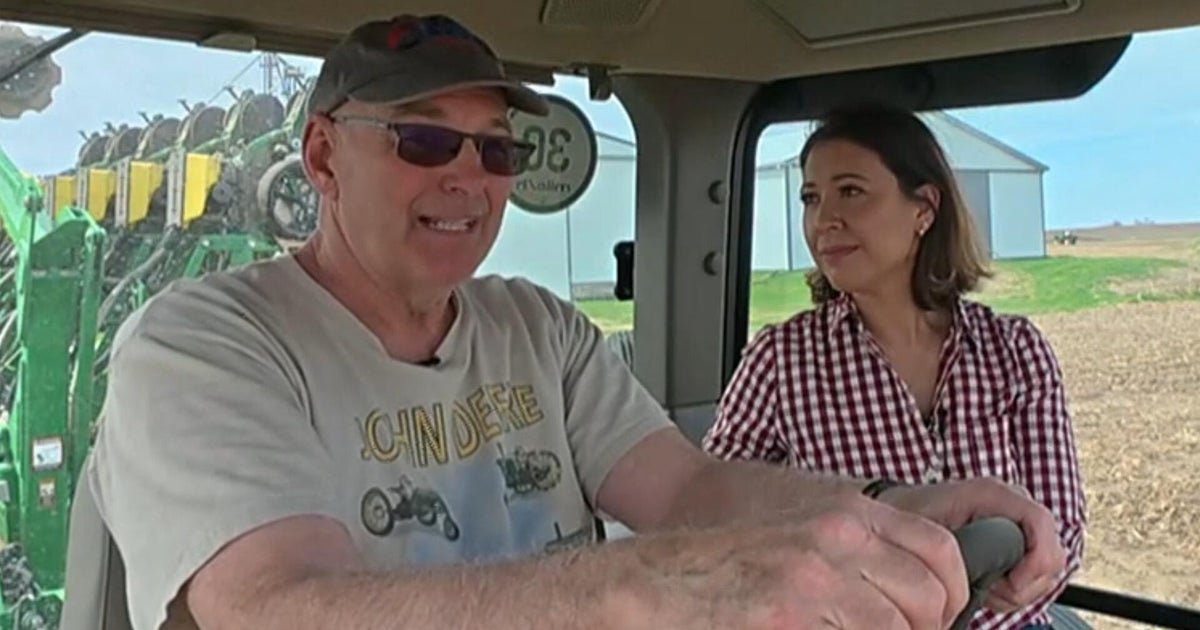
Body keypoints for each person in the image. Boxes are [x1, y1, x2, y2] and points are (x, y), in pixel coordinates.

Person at [85, 15, 1068, 630]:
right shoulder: (209, 344)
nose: (468, 178)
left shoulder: (534, 327)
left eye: (495, 151)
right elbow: (277, 608)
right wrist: (646, 588)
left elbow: (686, 486)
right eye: (424, 140)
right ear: (322, 158)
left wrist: (885, 507)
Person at [703, 103, 1086, 630]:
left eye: (851, 191)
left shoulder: (1014, 350)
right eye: (811, 198)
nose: (824, 220)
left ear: (924, 209)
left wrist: (1013, 585)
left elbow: (1060, 529)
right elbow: (711, 512)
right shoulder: (780, 360)